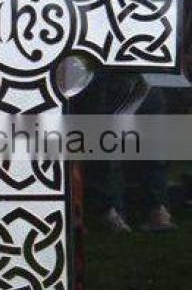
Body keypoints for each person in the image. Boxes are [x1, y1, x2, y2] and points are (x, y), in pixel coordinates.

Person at [71, 70, 177, 232]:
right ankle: (157, 209)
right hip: (147, 74)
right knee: (150, 149)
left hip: (109, 74)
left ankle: (111, 211)